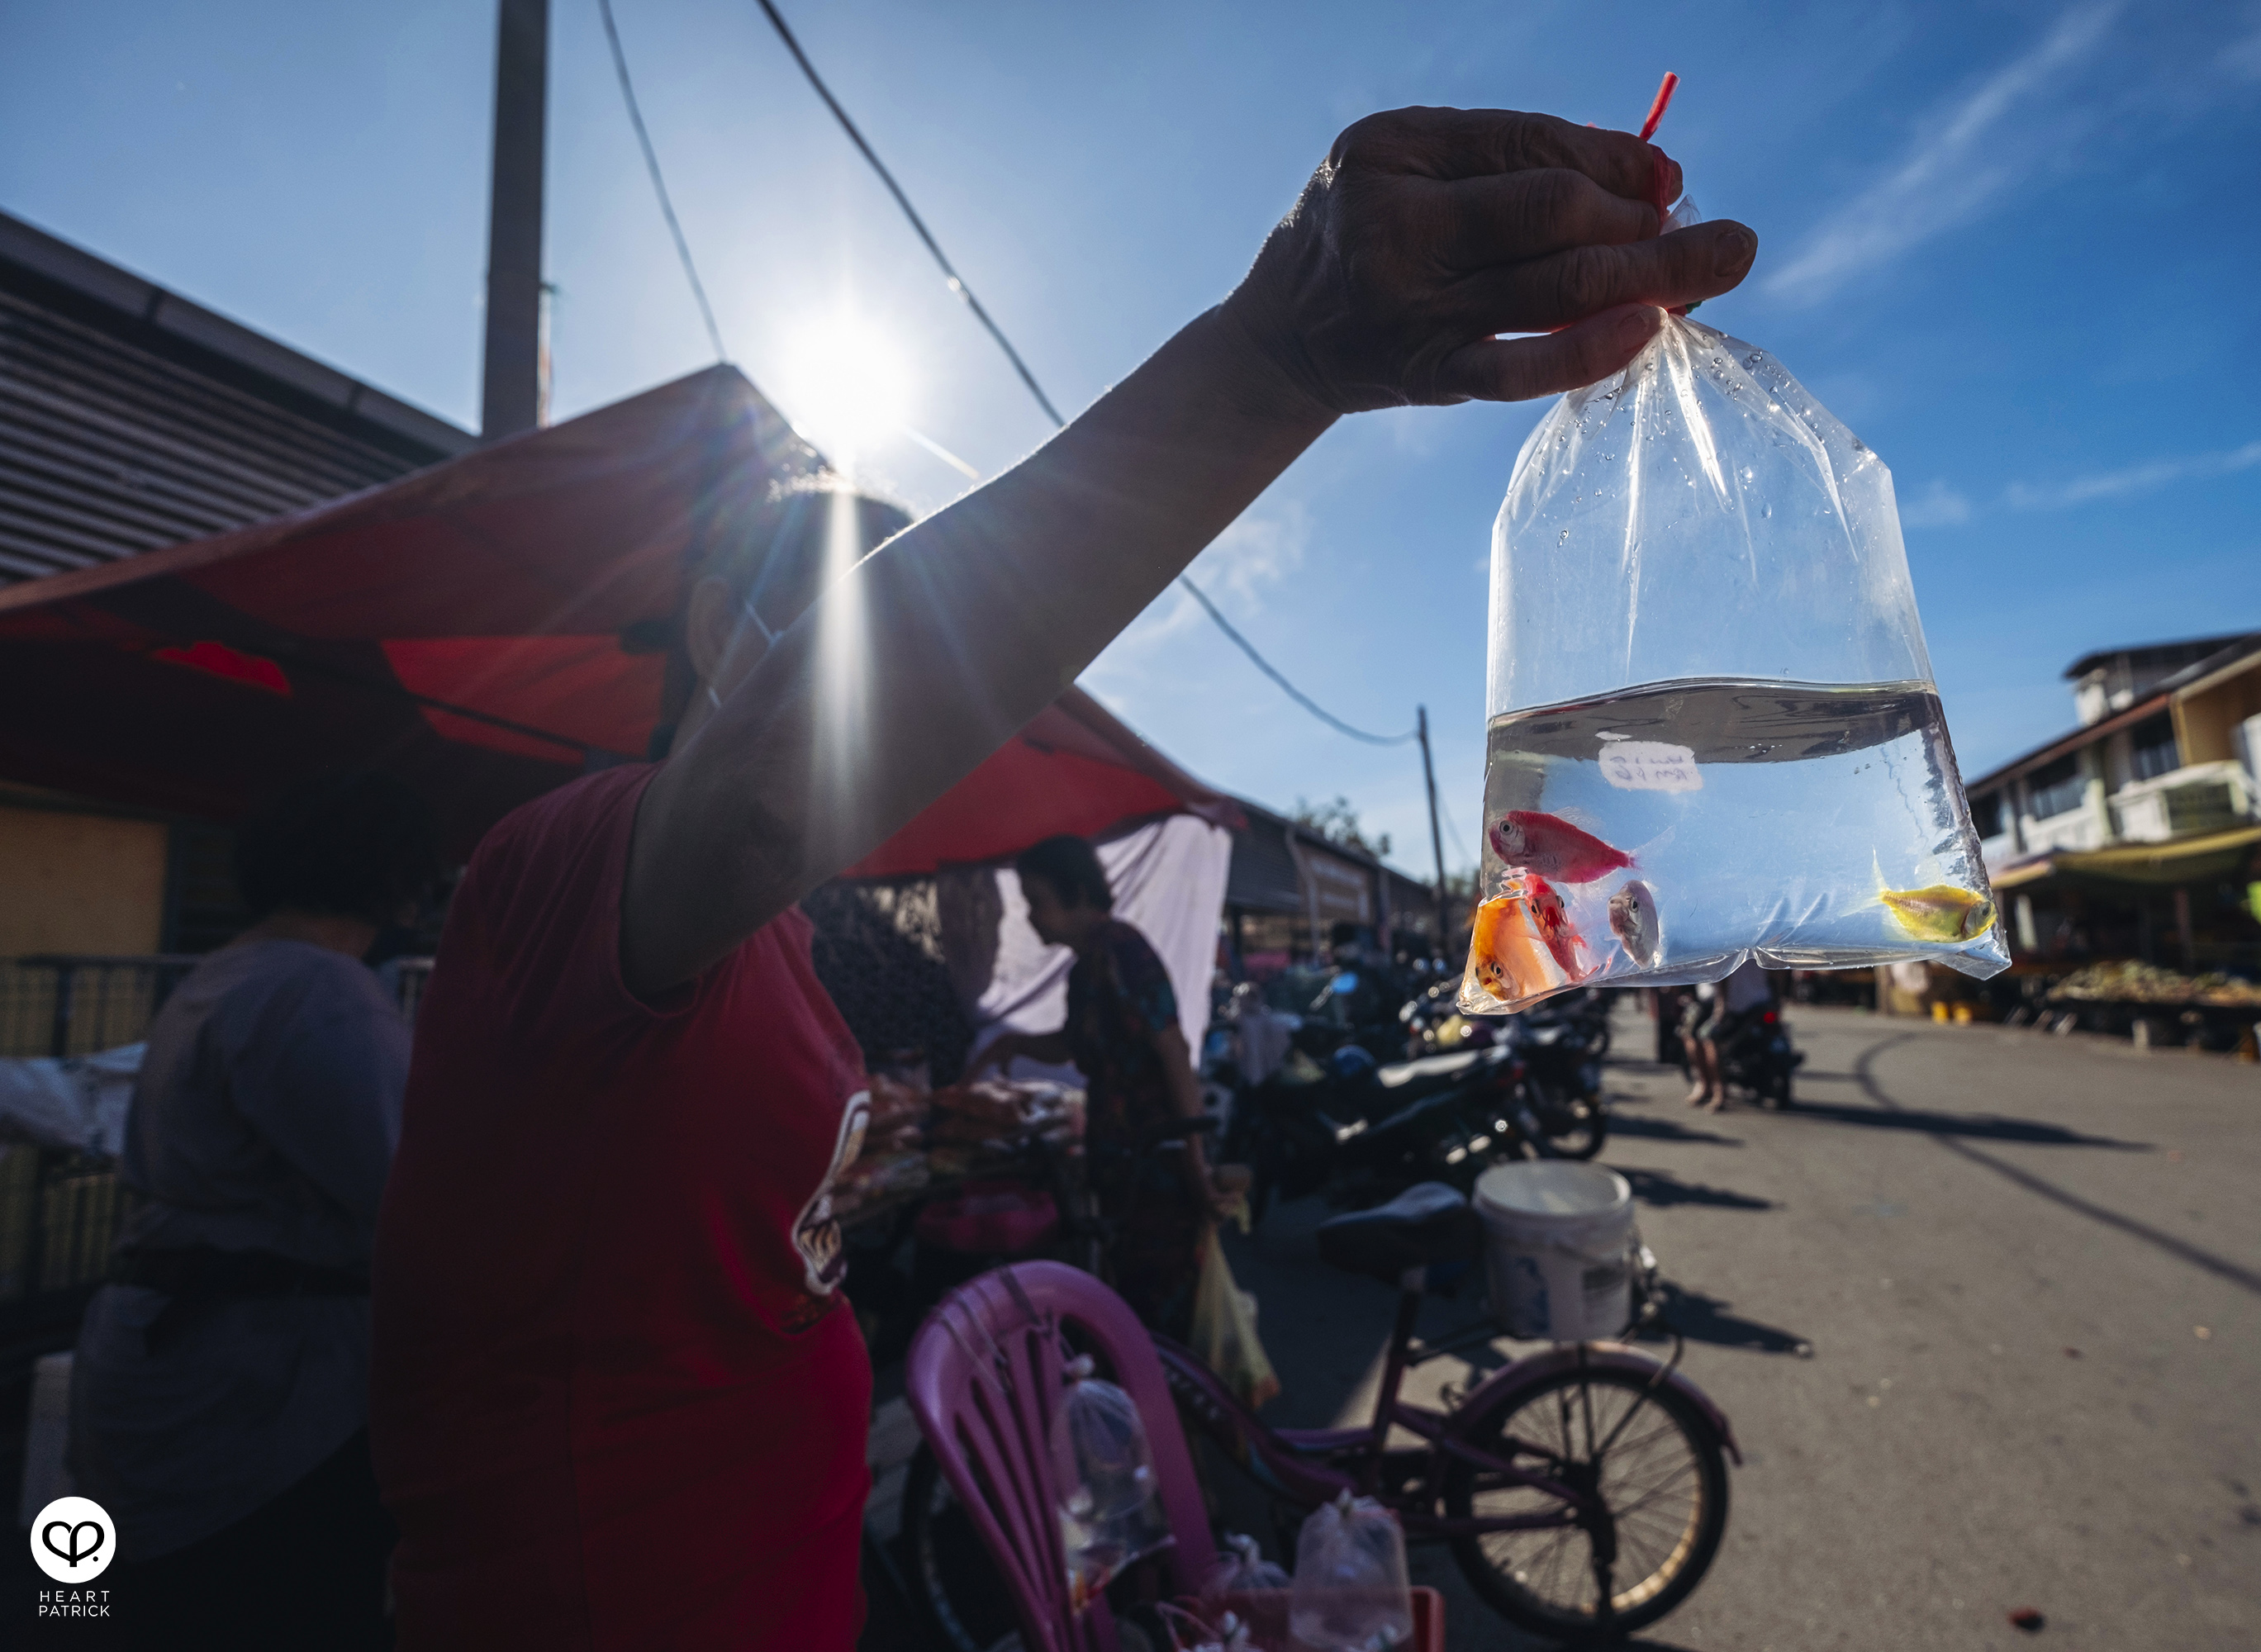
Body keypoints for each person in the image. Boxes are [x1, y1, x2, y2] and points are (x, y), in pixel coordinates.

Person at [371, 103, 1756, 1649]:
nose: (918, 670)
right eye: (861, 620)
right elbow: (766, 785)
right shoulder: (553, 873)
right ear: (717, 631)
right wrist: (1272, 362)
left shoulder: (768, 939)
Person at [72, 772, 439, 1650]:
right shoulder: (319, 992)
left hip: (175, 1355)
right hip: (261, 1394)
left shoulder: (234, 968)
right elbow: (412, 1192)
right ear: (395, 874)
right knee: (273, 1609)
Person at [966, 836, 1236, 1336]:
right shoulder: (1084, 969)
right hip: (1120, 1165)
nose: (1031, 917)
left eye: (1037, 903)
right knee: (1130, 1308)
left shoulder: (1125, 951)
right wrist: (1011, 1045)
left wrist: (1195, 1164)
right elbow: (1074, 1046)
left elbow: (1173, 1052)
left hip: (1155, 1163)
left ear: (1078, 894)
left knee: (1160, 1316)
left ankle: (1173, 1410)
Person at [1680, 959, 1772, 1112]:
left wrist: (1721, 1005)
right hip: (1761, 999)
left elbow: (1723, 973)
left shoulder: (1724, 940)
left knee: (1708, 1038)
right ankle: (1709, 1086)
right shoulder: (1762, 940)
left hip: (1735, 1004)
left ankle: (1718, 1089)